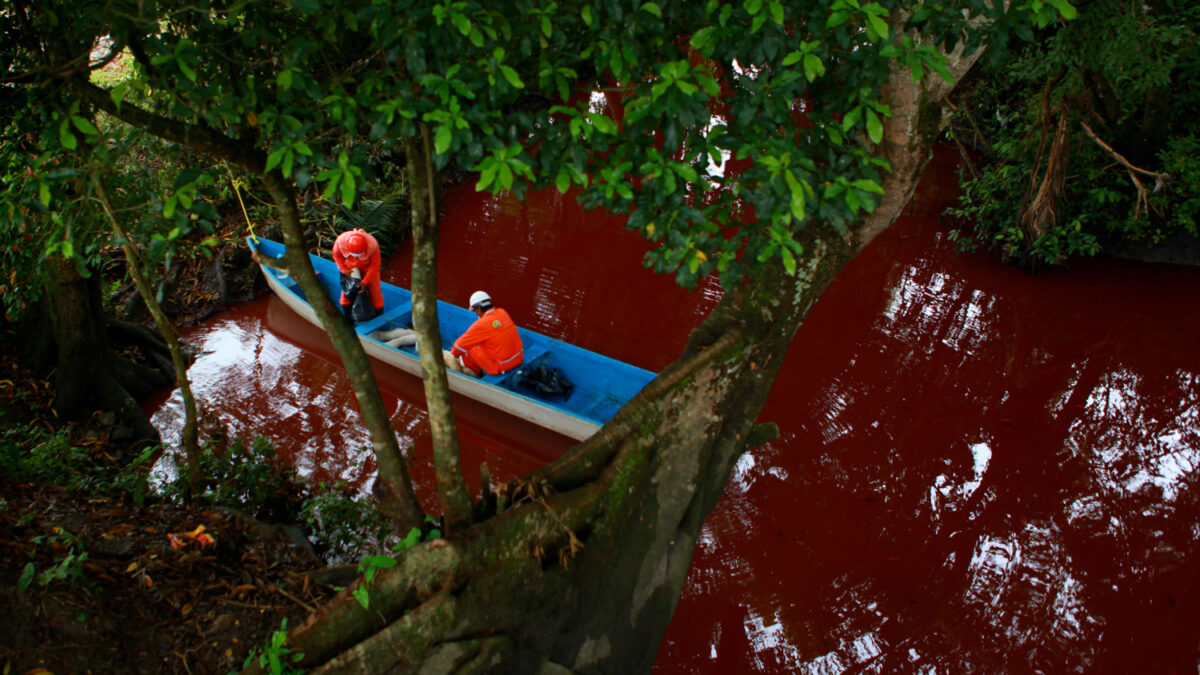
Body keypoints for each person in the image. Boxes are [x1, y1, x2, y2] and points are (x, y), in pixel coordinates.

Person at [446, 291, 523, 377]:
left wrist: (453, 355)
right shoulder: (502, 312)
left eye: (475, 310)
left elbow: (459, 346)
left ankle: (473, 374)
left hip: (501, 366)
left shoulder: (482, 323)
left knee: (468, 347)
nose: (475, 313)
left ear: (479, 308)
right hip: (518, 358)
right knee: (481, 342)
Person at [332, 228, 383, 323]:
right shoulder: (340, 241)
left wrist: (365, 281)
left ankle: (379, 318)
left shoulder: (373, 245)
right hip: (350, 268)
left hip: (368, 268)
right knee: (346, 293)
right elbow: (336, 256)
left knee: (376, 294)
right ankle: (348, 320)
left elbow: (375, 265)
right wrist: (344, 269)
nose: (356, 257)